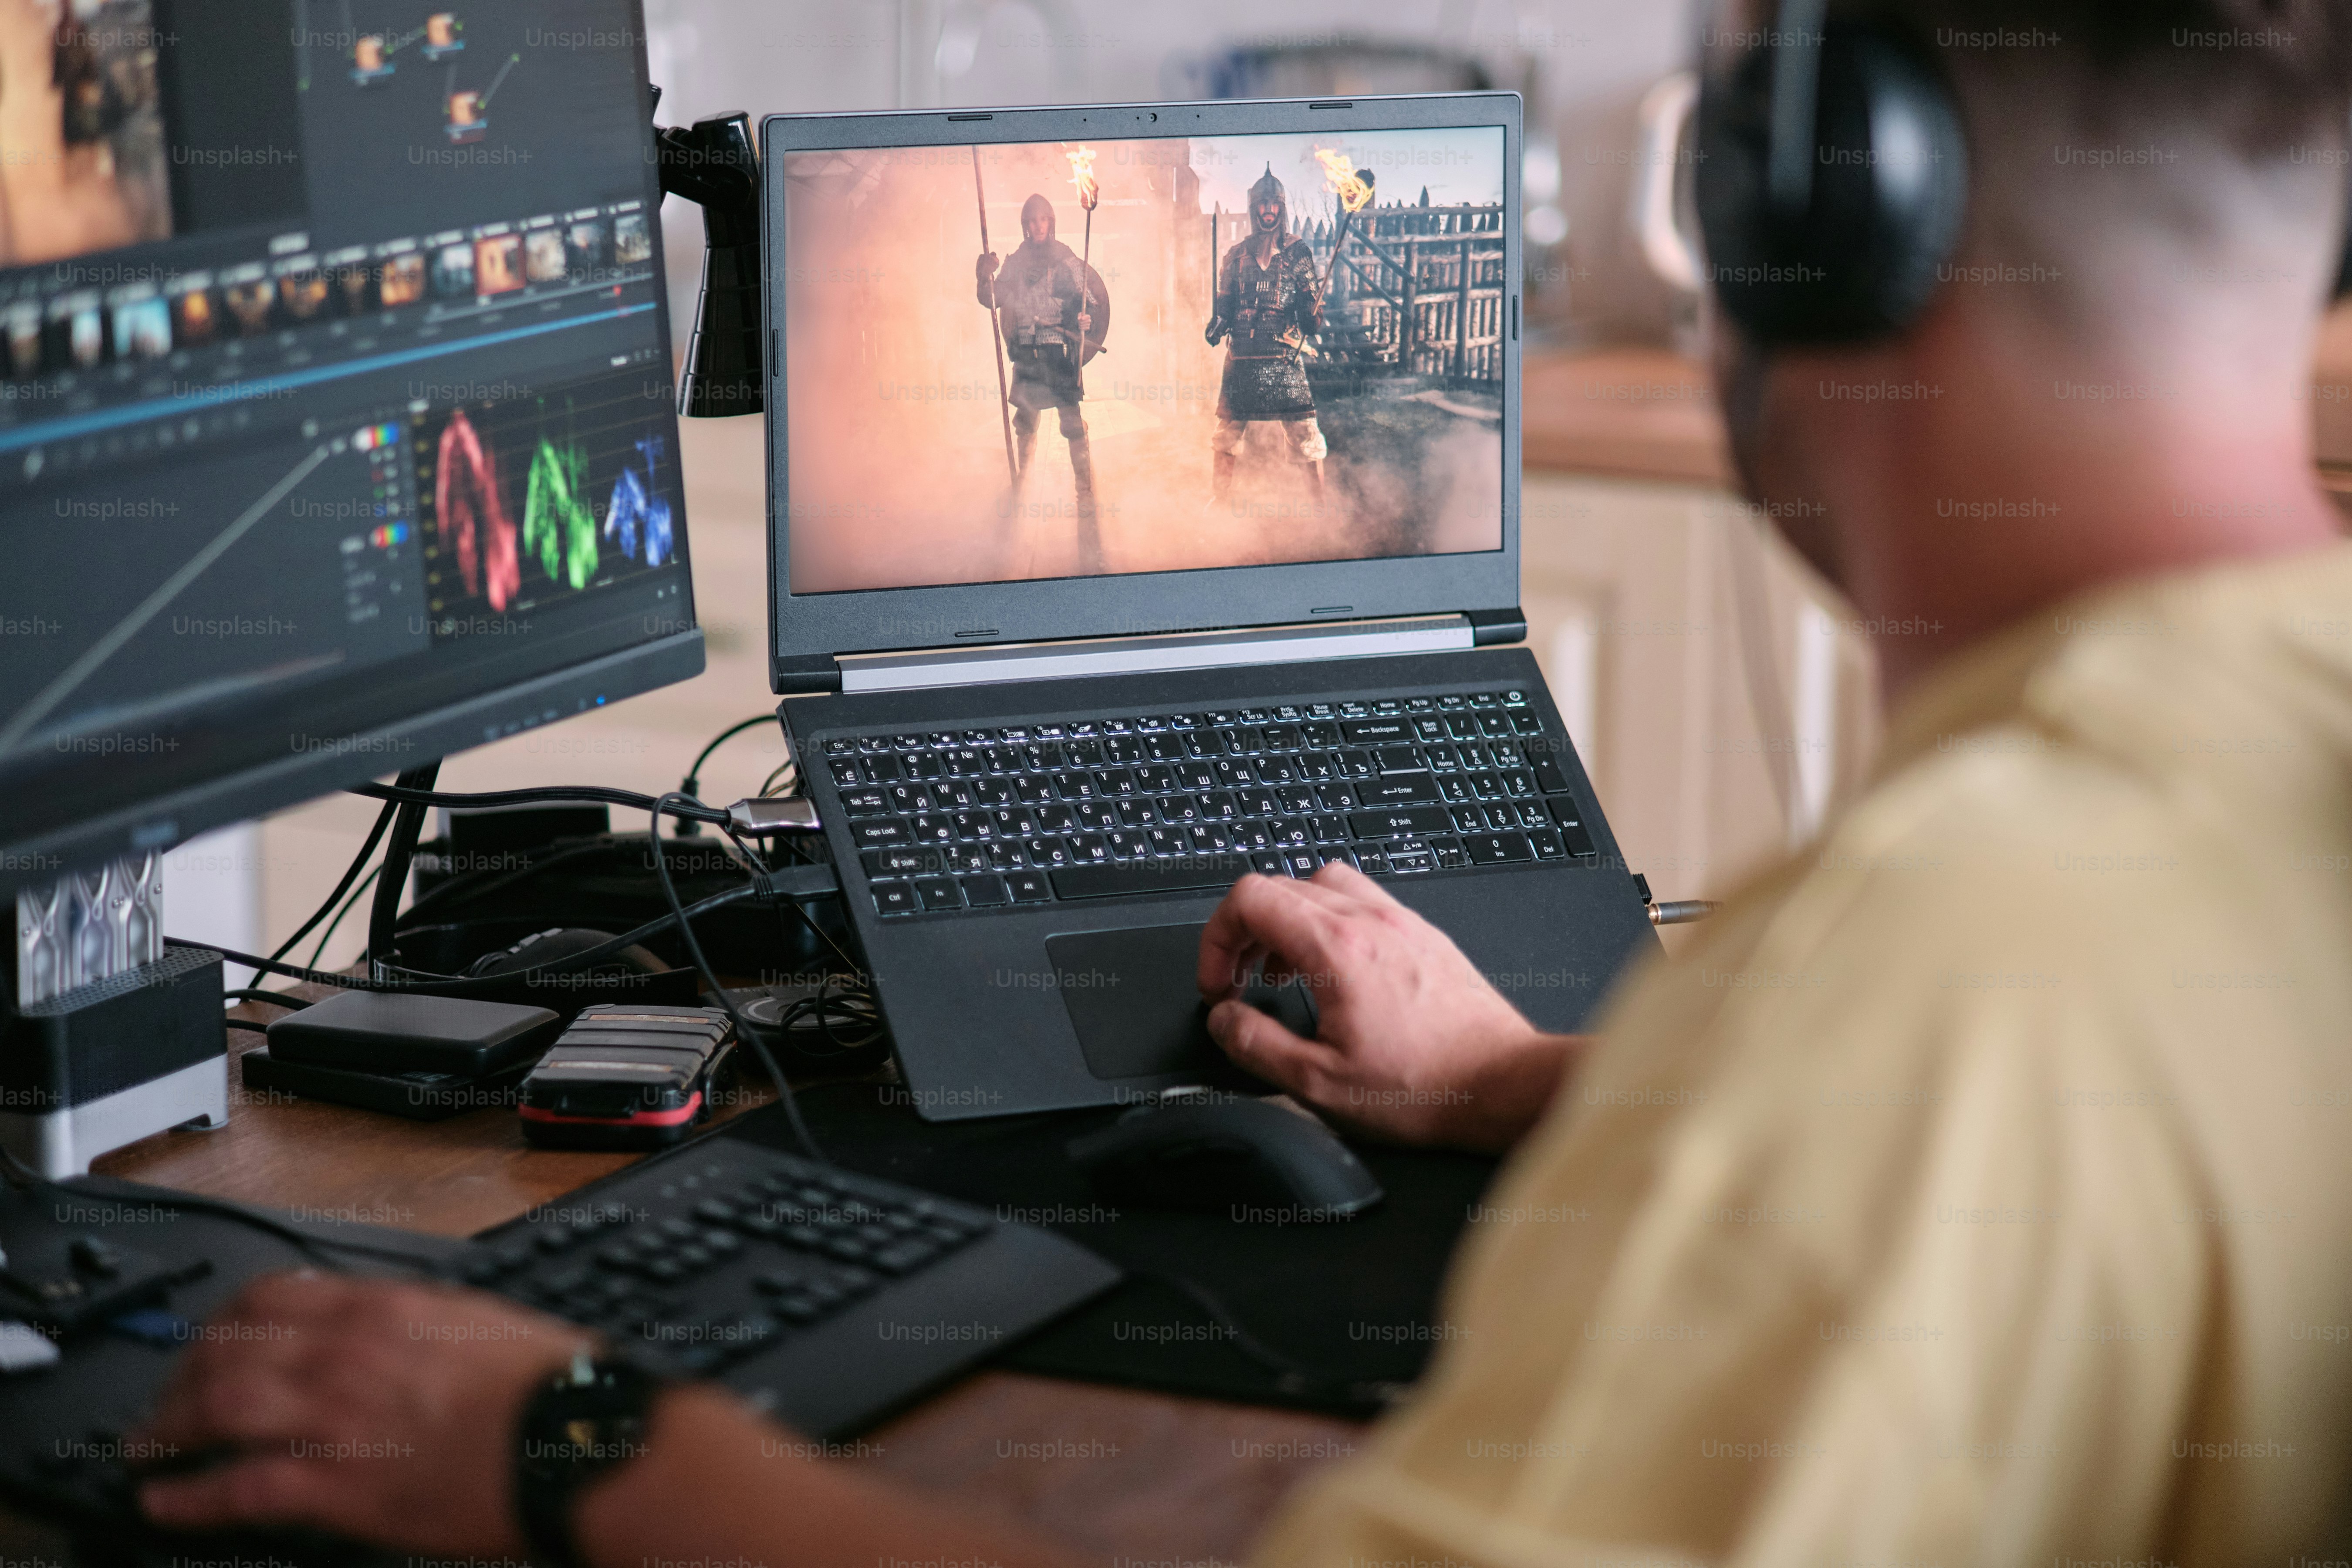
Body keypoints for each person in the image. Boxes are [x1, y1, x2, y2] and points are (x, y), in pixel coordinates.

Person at [134, 0, 2352, 1560]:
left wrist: (580, 1450)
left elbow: (1945, 1090)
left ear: (1811, 200)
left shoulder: (1941, 961)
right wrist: (1527, 1081)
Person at [977, 192, 1109, 564]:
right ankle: (1023, 483)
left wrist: (1083, 320)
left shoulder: (1066, 259)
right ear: (1025, 225)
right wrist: (984, 275)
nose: (1037, 227)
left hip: (1059, 356)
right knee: (1026, 425)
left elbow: (1092, 301)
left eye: (1043, 220)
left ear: (1051, 223)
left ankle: (1084, 487)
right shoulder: (1016, 264)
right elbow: (993, 299)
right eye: (1031, 221)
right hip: (1028, 357)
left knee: (1071, 425)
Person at [1206, 164, 1330, 505]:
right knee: (1227, 434)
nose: (1268, 210)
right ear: (1253, 209)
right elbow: (1225, 306)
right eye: (1262, 204)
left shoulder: (1297, 253)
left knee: (1305, 432)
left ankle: (1318, 504)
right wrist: (1217, 324)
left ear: (1282, 208)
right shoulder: (1235, 257)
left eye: (1274, 204)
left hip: (1284, 355)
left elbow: (1313, 311)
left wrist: (1311, 318)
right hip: (1243, 355)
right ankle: (1220, 499)